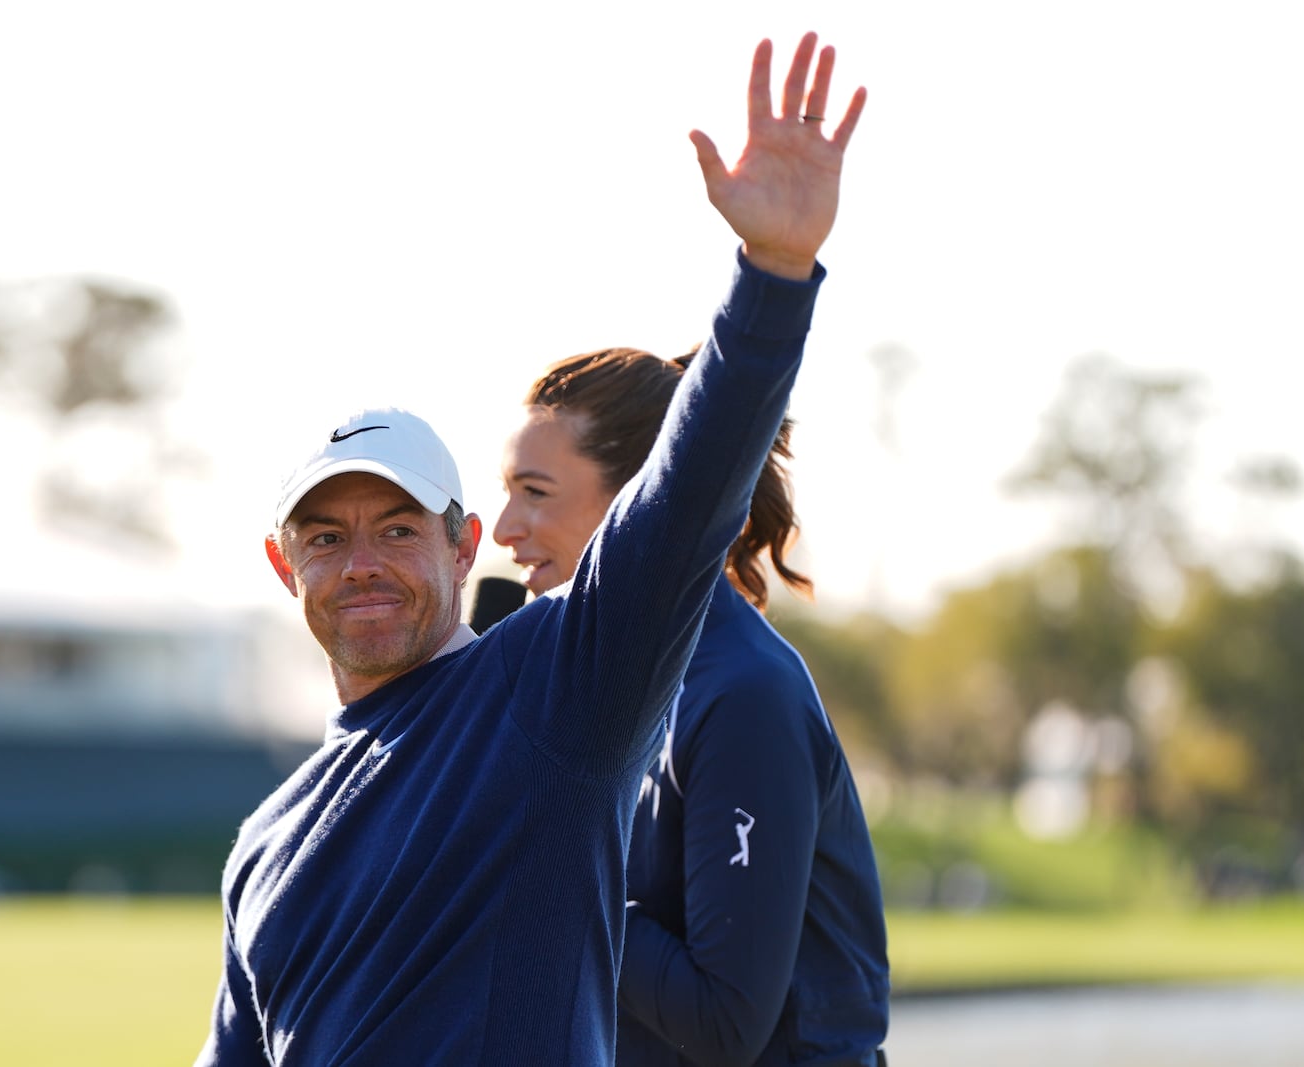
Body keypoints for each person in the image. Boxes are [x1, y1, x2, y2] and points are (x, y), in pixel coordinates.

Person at [196, 32, 867, 1066]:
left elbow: (679, 504)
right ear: (286, 570)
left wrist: (771, 279)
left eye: (398, 528)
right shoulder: (264, 844)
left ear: (463, 549)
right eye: (326, 537)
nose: (362, 561)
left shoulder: (546, 694)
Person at [494, 344, 890, 1065]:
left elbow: (722, 1022)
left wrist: (546, 870)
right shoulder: (593, 682)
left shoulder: (744, 694)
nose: (503, 528)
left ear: (644, 498)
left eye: (535, 491)